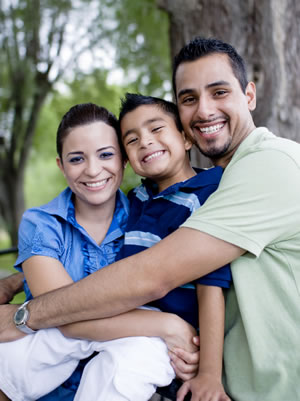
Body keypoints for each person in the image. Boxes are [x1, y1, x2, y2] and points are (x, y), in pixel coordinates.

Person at [1, 36, 300, 401]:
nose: (204, 111)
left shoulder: (266, 167)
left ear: (249, 95)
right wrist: (22, 276)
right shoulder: (206, 186)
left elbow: (154, 273)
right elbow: (131, 249)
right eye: (189, 99)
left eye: (219, 92)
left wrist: (28, 314)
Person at [0, 102, 198, 401]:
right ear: (61, 165)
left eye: (106, 155)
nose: (93, 170)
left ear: (124, 160)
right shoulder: (41, 224)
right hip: (38, 387)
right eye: (76, 158)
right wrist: (166, 325)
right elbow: (63, 314)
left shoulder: (145, 217)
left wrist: (18, 282)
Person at [74, 92, 231, 400]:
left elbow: (211, 285)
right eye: (131, 140)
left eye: (156, 129)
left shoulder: (208, 193)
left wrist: (210, 374)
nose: (145, 141)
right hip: (121, 317)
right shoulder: (136, 199)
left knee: (113, 375)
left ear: (186, 139)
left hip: (170, 340)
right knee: (36, 346)